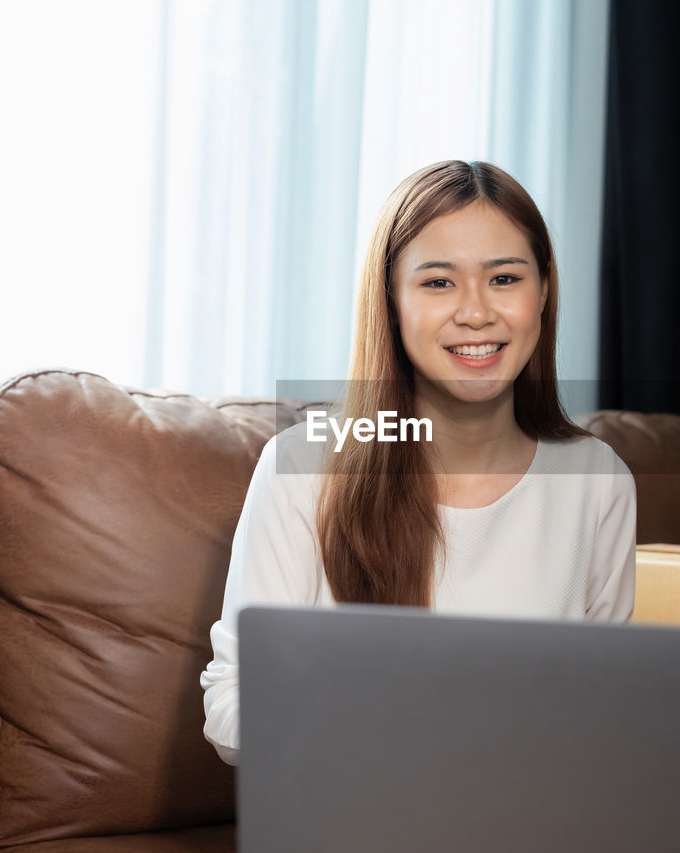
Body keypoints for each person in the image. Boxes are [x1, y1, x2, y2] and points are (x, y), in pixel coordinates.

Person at [199, 160, 636, 766]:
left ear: (543, 293)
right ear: (392, 303)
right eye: (438, 283)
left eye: (505, 278)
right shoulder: (302, 464)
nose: (477, 312)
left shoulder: (599, 480)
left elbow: (604, 710)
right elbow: (231, 703)